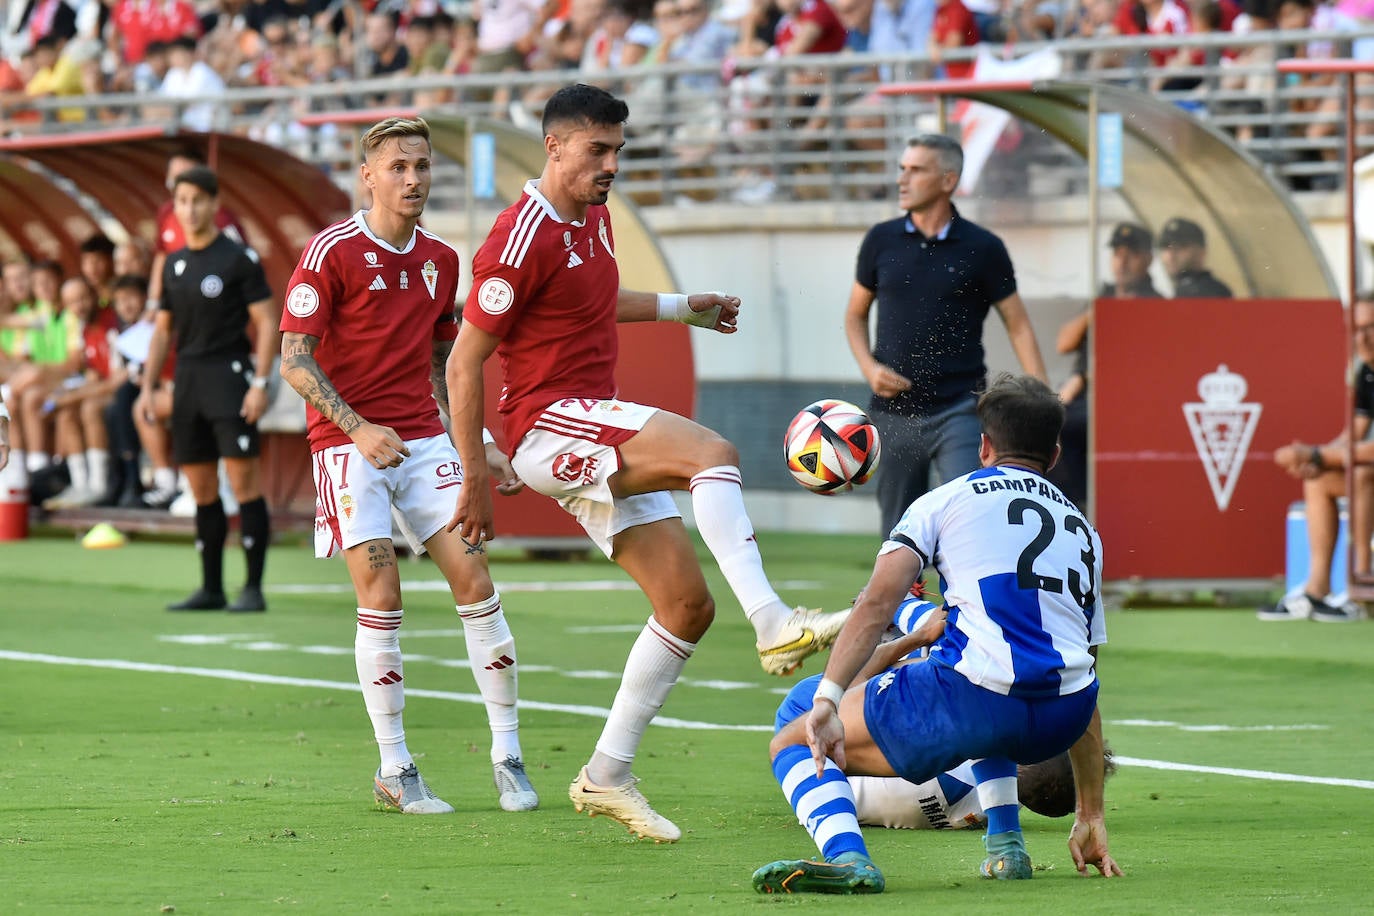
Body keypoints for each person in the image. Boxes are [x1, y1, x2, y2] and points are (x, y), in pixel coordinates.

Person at [446, 83, 852, 843]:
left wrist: (679, 306)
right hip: (549, 425)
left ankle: (606, 774)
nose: (610, 166)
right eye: (597, 151)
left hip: (583, 423)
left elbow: (591, 300)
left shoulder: (591, 218)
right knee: (713, 453)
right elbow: (466, 363)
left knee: (686, 608)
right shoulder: (517, 235)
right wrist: (476, 472)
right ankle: (772, 621)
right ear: (555, 146)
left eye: (618, 152)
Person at [751, 373, 1120, 894]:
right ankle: (1006, 847)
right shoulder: (1085, 529)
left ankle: (849, 857)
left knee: (793, 739)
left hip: (972, 704)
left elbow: (877, 603)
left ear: (984, 446)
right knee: (988, 665)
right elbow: (1088, 667)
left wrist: (829, 702)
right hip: (1061, 719)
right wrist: (1091, 814)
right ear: (1056, 454)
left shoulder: (946, 500)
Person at [278, 116, 539, 817]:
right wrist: (359, 429)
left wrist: (476, 441)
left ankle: (508, 756)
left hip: (423, 440)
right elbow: (294, 360)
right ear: (369, 176)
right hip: (346, 447)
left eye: (422, 166)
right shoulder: (330, 251)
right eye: (397, 167)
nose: (413, 178)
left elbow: (445, 364)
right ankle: (396, 768)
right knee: (383, 596)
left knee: (476, 579)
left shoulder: (441, 259)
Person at [844, 132, 1048, 537]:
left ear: (948, 180)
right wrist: (869, 368)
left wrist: (1044, 399)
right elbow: (854, 316)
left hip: (961, 409)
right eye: (902, 168)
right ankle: (905, 602)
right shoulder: (880, 240)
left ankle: (964, 601)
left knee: (968, 520)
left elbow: (1018, 324)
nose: (902, 178)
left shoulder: (984, 247)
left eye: (916, 170)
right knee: (900, 534)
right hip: (893, 411)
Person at [775, 593, 1118, 830]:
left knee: (957, 663)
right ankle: (1006, 847)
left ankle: (897, 607)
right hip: (838, 792)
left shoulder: (984, 740)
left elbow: (854, 687)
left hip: (807, 723)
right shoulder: (984, 808)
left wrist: (913, 636)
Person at [136, 166, 277, 614]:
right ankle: (211, 587)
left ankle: (252, 588)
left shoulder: (237, 258)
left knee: (244, 483)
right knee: (200, 488)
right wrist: (146, 387)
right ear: (174, 208)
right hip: (188, 383)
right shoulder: (174, 264)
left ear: (214, 204)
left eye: (198, 200)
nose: (190, 209)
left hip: (230, 377)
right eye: (182, 201)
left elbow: (269, 321)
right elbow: (162, 332)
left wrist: (260, 382)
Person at [1261, 296, 1374, 623]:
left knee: (1364, 474)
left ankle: (1362, 583)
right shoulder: (1365, 370)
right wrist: (1319, 460)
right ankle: (1317, 589)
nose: (1362, 339)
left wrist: (1316, 454)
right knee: (1320, 480)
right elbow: (1354, 432)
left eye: (1370, 329)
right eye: (1355, 329)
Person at [1048, 221, 1162, 511]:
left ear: (1148, 258)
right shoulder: (1103, 298)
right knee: (1045, 425)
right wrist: (1097, 309)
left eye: (1131, 254)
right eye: (1117, 254)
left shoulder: (1154, 304)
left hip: (1120, 402)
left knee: (1068, 426)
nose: (1122, 262)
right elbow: (1064, 342)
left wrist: (1081, 377)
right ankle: (1069, 505)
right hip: (1083, 398)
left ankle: (1078, 506)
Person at [1156, 217, 1234, 299]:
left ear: (1201, 252)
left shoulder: (1210, 293)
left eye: (1180, 247)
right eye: (1165, 247)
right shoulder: (1181, 289)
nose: (1170, 256)